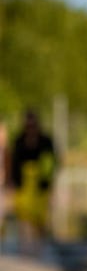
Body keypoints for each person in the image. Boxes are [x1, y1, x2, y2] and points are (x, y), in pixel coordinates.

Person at [9, 109, 57, 254]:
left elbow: (51, 162)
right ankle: (24, 246)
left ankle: (38, 246)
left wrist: (48, 181)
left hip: (40, 183)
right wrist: (13, 180)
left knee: (39, 216)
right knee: (23, 214)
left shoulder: (46, 141)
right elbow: (14, 162)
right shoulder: (19, 140)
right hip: (23, 183)